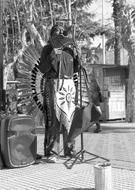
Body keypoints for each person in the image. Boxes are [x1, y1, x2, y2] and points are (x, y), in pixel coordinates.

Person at [39, 24, 79, 158]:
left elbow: (77, 69)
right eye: (57, 33)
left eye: (63, 33)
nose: (60, 35)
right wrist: (53, 53)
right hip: (53, 84)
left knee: (69, 118)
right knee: (54, 119)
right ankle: (52, 152)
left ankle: (70, 149)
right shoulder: (47, 49)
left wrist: (78, 54)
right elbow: (43, 69)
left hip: (68, 86)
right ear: (51, 35)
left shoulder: (69, 50)